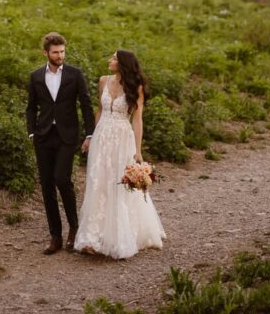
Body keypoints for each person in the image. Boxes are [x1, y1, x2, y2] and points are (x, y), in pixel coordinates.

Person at [74, 49, 166, 259]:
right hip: (102, 137)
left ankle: (118, 235)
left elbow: (137, 119)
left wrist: (138, 151)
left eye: (114, 58)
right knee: (97, 181)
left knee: (119, 184)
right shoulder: (103, 81)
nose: (110, 60)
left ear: (123, 63)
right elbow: (99, 110)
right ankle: (91, 236)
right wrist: (90, 137)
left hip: (123, 139)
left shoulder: (136, 87)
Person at [26, 32, 95, 254]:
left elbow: (85, 104)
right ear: (46, 53)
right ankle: (55, 235)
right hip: (43, 136)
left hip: (67, 135)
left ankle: (74, 228)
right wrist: (31, 133)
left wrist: (89, 134)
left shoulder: (75, 74)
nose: (60, 55)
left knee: (62, 179)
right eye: (55, 52)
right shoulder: (36, 76)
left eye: (62, 51)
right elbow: (31, 107)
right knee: (46, 185)